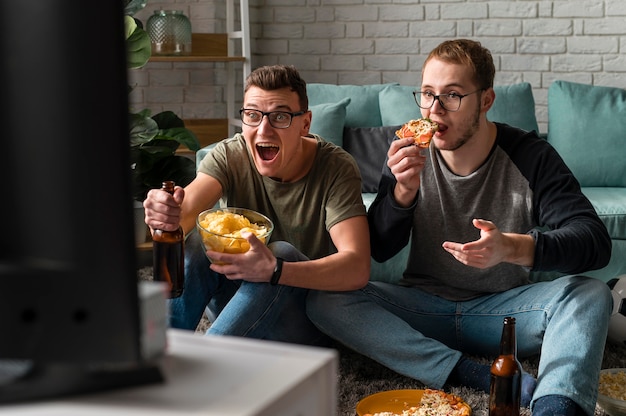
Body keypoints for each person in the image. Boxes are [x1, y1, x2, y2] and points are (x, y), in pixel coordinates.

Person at [306, 39, 613, 415]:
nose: (434, 110)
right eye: (427, 94)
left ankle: (555, 406)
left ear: (485, 100)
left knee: (591, 295)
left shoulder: (531, 155)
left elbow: (594, 241)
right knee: (325, 296)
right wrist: (402, 193)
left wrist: (512, 248)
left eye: (452, 95)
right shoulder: (408, 150)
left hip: (505, 317)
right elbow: (379, 249)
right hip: (422, 306)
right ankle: (467, 372)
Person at [143, 64, 370, 346]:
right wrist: (166, 212)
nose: (264, 129)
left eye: (280, 116)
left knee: (280, 252)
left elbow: (357, 267)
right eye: (252, 115)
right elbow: (184, 214)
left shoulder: (336, 167)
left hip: (299, 320)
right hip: (235, 309)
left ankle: (209, 362)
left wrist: (275, 269)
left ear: (305, 123)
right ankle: (161, 350)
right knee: (197, 242)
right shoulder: (230, 154)